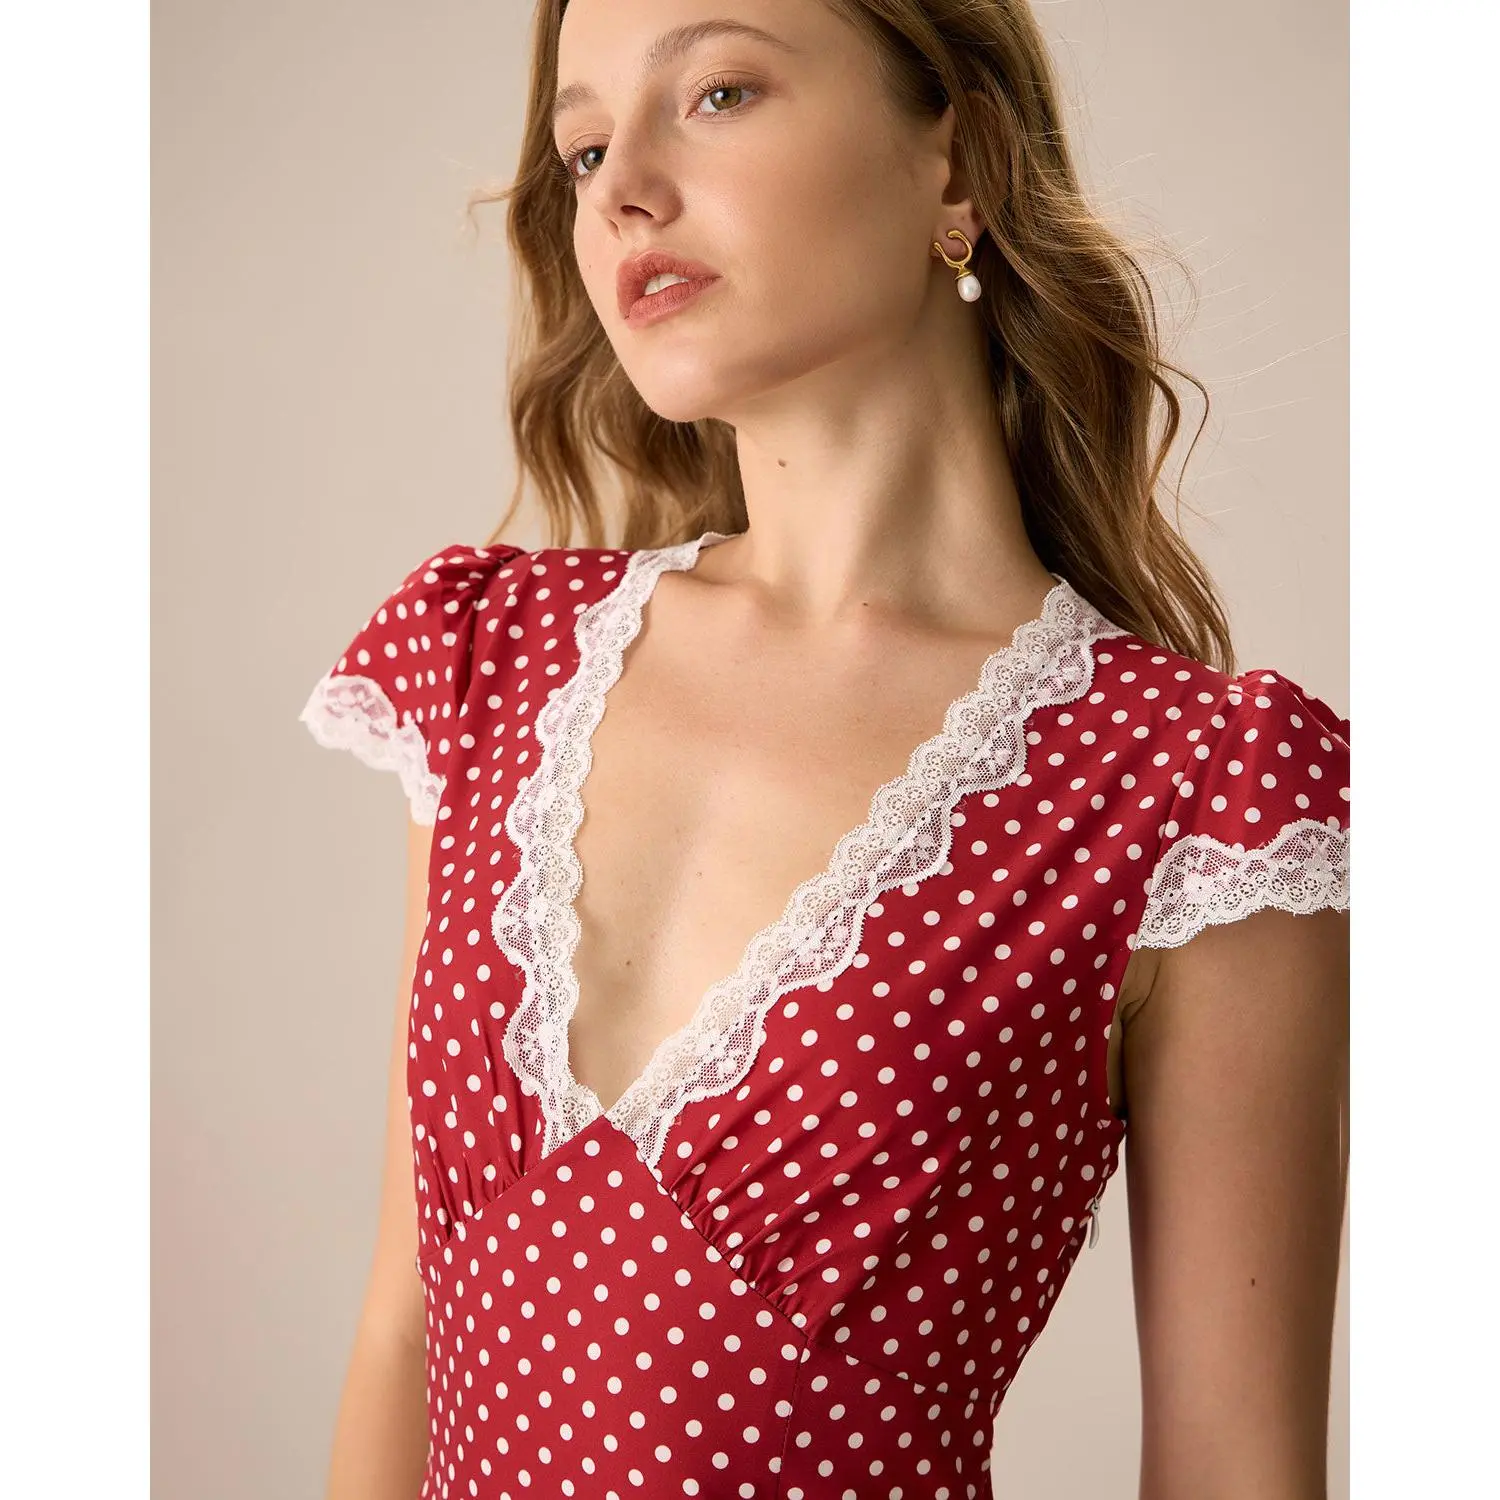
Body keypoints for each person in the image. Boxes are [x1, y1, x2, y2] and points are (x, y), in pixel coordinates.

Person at [300, 1, 1350, 1496]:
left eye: (719, 92)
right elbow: (404, 1330)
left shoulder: (1198, 804)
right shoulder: (491, 664)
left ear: (958, 164)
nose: (621, 190)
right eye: (584, 148)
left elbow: (1233, 1468)